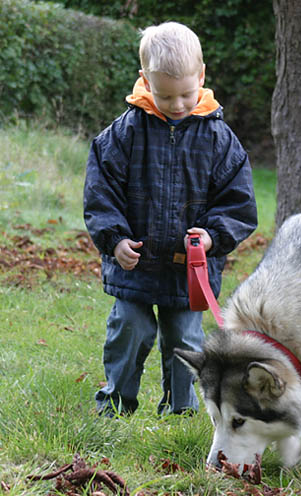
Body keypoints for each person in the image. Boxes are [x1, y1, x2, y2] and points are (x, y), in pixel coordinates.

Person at [83, 22, 258, 417]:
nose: (177, 105)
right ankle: (115, 405)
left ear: (201, 76)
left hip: (188, 272)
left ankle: (181, 410)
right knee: (130, 328)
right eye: (165, 96)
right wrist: (114, 241)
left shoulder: (220, 140)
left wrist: (213, 237)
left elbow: (239, 204)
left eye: (185, 94)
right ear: (145, 81)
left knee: (185, 337)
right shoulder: (122, 136)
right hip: (136, 266)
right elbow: (100, 195)